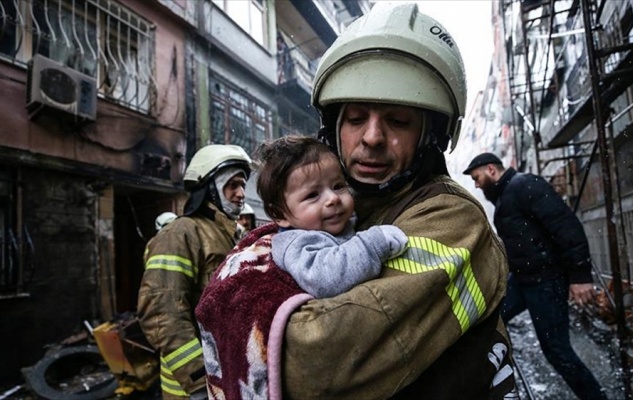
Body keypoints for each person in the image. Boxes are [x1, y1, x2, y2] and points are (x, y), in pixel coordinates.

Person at [197, 3, 516, 399]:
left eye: (398, 121)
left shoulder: (451, 218)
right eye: (355, 118)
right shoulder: (343, 210)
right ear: (334, 128)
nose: (372, 138)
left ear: (430, 135)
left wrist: (240, 307)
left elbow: (315, 361)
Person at [463, 152, 607, 400]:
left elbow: (566, 227)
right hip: (524, 280)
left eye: (477, 178)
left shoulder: (524, 185)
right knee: (488, 319)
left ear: (491, 170)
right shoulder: (506, 197)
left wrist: (580, 276)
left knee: (557, 351)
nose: (476, 184)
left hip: (546, 282)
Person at [137, 144, 251, 400]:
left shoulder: (237, 236)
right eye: (232, 185)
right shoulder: (180, 234)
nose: (241, 193)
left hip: (232, 377)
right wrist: (198, 380)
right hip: (190, 390)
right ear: (209, 188)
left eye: (242, 184)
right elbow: (161, 313)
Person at [260, 135, 408, 298]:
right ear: (279, 214)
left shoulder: (339, 222)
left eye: (338, 186)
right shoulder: (297, 243)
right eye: (312, 195)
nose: (333, 198)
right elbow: (325, 280)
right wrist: (374, 244)